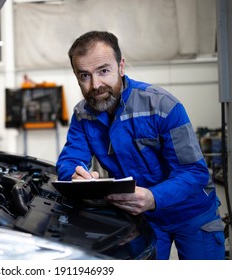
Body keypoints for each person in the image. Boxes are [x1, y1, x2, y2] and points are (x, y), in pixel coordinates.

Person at [56, 30, 225, 260]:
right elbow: (70, 160)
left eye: (103, 71)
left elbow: (194, 172)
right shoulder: (82, 116)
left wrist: (154, 197)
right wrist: (76, 176)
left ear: (121, 67)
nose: (96, 85)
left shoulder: (163, 106)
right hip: (143, 218)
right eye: (84, 76)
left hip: (192, 213)